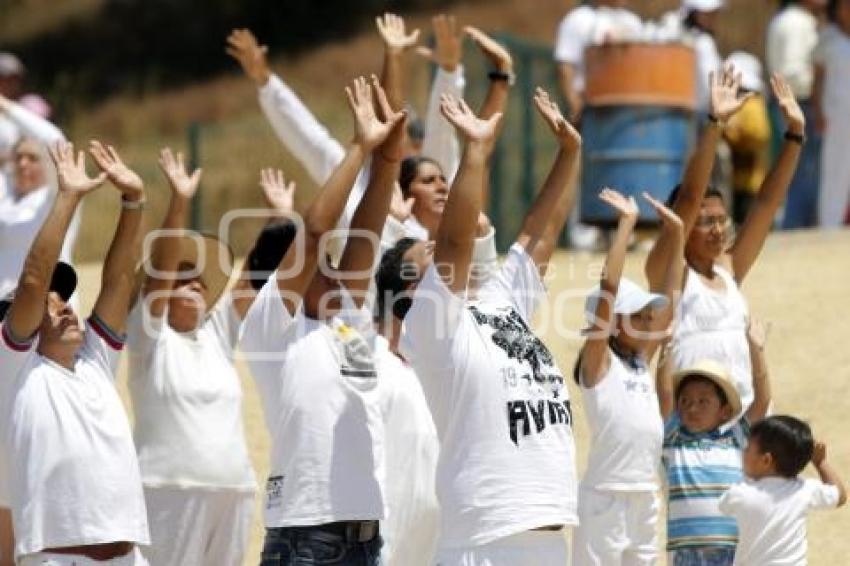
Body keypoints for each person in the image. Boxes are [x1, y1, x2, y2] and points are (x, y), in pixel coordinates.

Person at [380, 88, 579, 563]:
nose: (441, 245)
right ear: (411, 291)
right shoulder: (429, 326)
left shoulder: (498, 298)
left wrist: (571, 153)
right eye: (424, 251)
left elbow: (541, 231)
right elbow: (452, 238)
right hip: (487, 541)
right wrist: (475, 152)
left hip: (550, 536)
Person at [240, 75, 404, 566]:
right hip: (305, 535)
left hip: (366, 535)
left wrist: (389, 160)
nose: (335, 268)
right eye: (322, 265)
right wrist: (357, 147)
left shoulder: (346, 320)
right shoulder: (273, 327)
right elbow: (315, 230)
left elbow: (368, 229)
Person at [226, 18, 503, 277]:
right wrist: (266, 82)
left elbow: (454, 134)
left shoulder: (433, 191)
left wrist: (453, 72)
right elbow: (309, 136)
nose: (440, 186)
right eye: (401, 132)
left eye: (410, 137)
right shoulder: (359, 190)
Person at [126, 150, 297, 566]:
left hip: (233, 492)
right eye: (179, 277)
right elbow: (162, 263)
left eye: (199, 279)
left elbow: (255, 273)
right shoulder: (148, 337)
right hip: (167, 493)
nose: (194, 282)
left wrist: (282, 220)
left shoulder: (218, 334)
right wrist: (179, 201)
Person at [0, 140, 149, 565]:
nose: (63, 306)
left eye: (65, 299)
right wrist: (67, 196)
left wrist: (134, 200)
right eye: (48, 306)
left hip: (128, 557)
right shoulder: (18, 368)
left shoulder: (96, 360)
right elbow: (32, 282)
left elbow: (120, 279)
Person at [645, 68, 805, 414]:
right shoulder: (668, 274)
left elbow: (766, 203)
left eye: (721, 220)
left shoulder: (729, 269)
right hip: (692, 427)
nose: (718, 229)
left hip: (743, 420)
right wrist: (715, 124)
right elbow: (689, 196)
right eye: (705, 222)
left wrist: (795, 135)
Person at [571, 188, 684, 566]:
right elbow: (609, 286)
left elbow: (671, 298)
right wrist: (626, 225)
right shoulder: (599, 364)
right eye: (638, 316)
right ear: (613, 322)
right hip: (606, 497)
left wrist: (678, 236)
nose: (649, 322)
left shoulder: (638, 360)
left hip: (644, 495)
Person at [657, 318, 772, 565]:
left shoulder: (736, 440)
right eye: (685, 401)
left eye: (703, 401)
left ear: (724, 410)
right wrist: (665, 349)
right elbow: (665, 395)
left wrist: (756, 349)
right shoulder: (673, 441)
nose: (692, 408)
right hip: (685, 553)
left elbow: (762, 401)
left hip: (734, 550)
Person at [554, 0, 642, 250]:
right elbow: (566, 64)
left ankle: (623, 230)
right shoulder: (578, 19)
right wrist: (574, 103)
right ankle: (584, 233)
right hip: (591, 105)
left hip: (625, 106)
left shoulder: (632, 22)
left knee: (625, 166)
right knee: (582, 167)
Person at [373, 241, 440, 566]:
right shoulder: (370, 360)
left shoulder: (444, 368)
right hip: (383, 547)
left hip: (441, 547)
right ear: (413, 289)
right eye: (430, 251)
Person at [719, 416, 847, 565]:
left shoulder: (740, 493)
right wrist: (820, 462)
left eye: (747, 448)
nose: (743, 452)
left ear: (766, 460)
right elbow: (840, 496)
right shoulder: (804, 488)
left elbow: (723, 506)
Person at [0, 94, 74, 298]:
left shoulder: (55, 196)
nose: (23, 164)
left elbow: (54, 140)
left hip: (45, 314)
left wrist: (4, 105)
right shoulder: (7, 197)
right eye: (18, 158)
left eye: (32, 158)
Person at [767, 0, 827, 229]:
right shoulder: (797, 23)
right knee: (802, 171)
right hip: (798, 104)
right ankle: (796, 228)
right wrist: (821, 84)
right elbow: (792, 73)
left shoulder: (784, 20)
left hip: (791, 103)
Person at [722, 52, 771, 225]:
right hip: (734, 182)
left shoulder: (752, 104)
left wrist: (732, 132)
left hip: (750, 183)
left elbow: (758, 135)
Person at [813, 0, 850, 227]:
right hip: (836, 116)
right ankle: (829, 223)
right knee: (835, 169)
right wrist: (818, 111)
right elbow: (818, 80)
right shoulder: (828, 38)